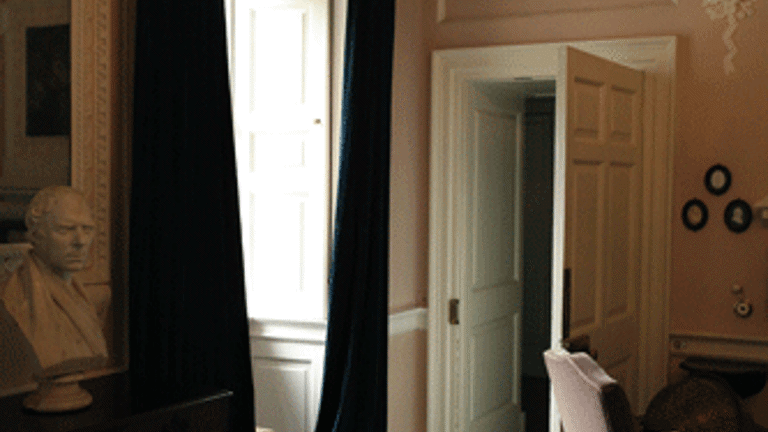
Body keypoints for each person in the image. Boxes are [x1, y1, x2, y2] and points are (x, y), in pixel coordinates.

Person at [0, 186, 108, 377]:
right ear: (35, 235)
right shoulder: (15, 297)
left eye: (87, 229)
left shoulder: (88, 296)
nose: (81, 241)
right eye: (65, 230)